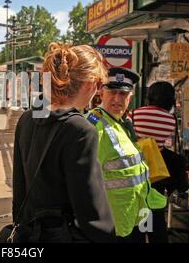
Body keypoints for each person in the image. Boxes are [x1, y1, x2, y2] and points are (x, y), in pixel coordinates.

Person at [12, 43, 115, 243]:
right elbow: (91, 211)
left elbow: (20, 189)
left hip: (30, 234)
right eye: (99, 85)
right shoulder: (80, 130)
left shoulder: (27, 119)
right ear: (90, 84)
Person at [87, 68, 167, 243]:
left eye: (123, 94)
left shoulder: (121, 122)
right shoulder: (94, 124)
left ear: (130, 96)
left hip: (132, 215)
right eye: (112, 92)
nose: (117, 99)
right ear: (101, 92)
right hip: (112, 221)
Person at [130, 81, 179, 243]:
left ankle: (139, 235)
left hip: (135, 169)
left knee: (137, 211)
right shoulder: (171, 120)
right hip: (157, 171)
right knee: (155, 211)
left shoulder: (135, 114)